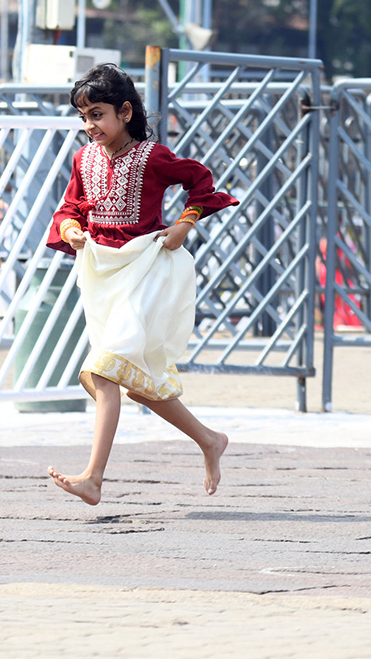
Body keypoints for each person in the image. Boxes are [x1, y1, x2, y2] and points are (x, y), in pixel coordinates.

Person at [45, 63, 238, 506]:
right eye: (83, 117)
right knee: (135, 384)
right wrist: (72, 227)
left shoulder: (153, 157)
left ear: (125, 111)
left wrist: (185, 224)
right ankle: (209, 440)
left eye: (97, 114)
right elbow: (70, 205)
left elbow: (201, 183)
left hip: (146, 272)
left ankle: (93, 478)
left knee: (102, 371)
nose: (90, 125)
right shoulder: (83, 159)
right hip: (103, 275)